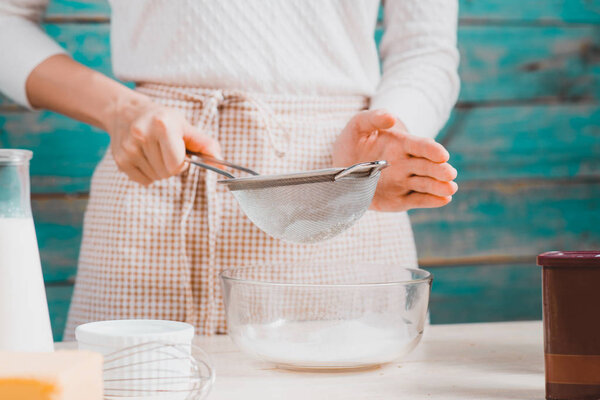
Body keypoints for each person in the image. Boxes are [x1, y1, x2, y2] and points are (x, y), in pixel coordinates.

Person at [0, 0, 459, 339]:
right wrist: (119, 109)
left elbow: (426, 49)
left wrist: (389, 135)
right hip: (156, 175)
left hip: (342, 186)